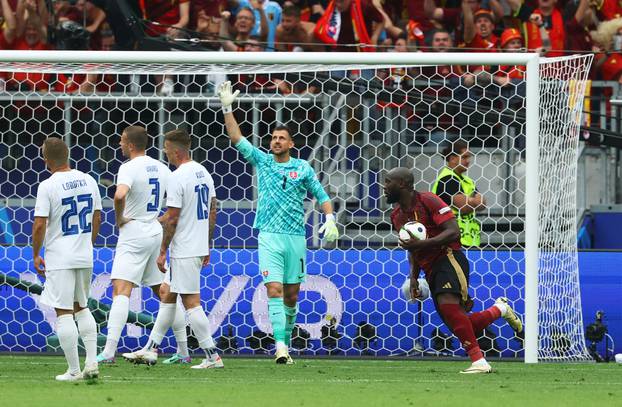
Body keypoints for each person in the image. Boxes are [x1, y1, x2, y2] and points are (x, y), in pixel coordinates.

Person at [217, 81, 339, 364]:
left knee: (292, 295)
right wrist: (227, 108)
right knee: (274, 289)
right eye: (273, 137)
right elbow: (236, 137)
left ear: (291, 144)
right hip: (269, 235)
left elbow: (322, 195)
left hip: (296, 237)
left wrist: (330, 217)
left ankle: (286, 339)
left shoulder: (302, 168)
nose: (276, 141)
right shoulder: (263, 161)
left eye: (281, 138)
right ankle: (281, 346)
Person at [384, 167, 522, 373]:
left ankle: (479, 362)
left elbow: (453, 231)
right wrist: (413, 277)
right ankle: (500, 309)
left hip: (449, 258)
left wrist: (423, 244)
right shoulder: (396, 216)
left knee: (450, 310)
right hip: (430, 269)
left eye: (388, 182)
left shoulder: (428, 200)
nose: (384, 187)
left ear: (402, 184)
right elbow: (412, 249)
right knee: (461, 324)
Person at [122, 129, 223, 369]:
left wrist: (163, 249)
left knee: (191, 303)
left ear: (176, 150)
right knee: (167, 293)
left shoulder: (178, 177)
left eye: (166, 148)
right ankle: (150, 349)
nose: (165, 152)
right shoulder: (203, 172)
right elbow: (212, 210)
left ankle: (212, 356)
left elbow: (173, 218)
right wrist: (207, 244)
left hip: (184, 248)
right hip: (196, 245)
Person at [96, 126, 190, 365]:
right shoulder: (161, 167)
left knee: (121, 290)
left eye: (121, 141)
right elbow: (175, 201)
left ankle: (108, 352)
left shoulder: (127, 168)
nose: (119, 145)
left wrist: (119, 219)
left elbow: (119, 196)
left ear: (129, 145)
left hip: (134, 232)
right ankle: (183, 351)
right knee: (164, 293)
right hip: (154, 231)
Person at [32, 137, 102, 381]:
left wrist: (35, 254)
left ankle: (74, 370)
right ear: (68, 154)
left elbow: (40, 224)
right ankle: (92, 362)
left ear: (45, 160)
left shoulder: (47, 186)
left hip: (60, 257)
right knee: (82, 307)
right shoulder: (89, 179)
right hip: (84, 254)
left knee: (63, 312)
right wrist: (88, 244)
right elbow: (97, 216)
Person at [431, 141, 486, 248]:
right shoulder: (447, 179)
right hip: (452, 241)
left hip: (469, 240)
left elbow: (482, 203)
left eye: (469, 157)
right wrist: (473, 201)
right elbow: (464, 207)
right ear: (452, 159)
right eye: (464, 157)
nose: (468, 161)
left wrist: (471, 201)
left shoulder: (467, 181)